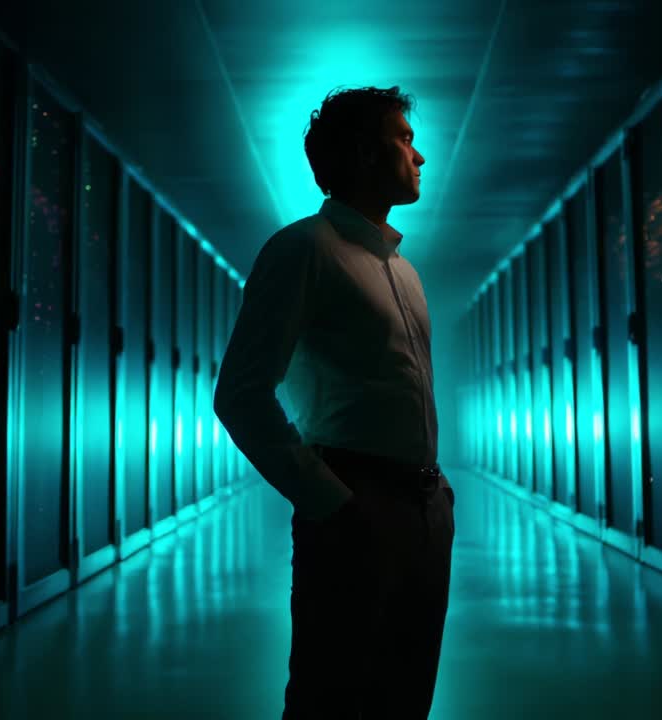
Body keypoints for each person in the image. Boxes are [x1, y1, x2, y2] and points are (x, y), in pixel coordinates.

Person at [213, 85, 454, 719]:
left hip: (424, 507)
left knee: (405, 694)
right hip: (357, 502)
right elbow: (240, 392)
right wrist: (331, 502)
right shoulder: (302, 251)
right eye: (403, 138)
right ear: (362, 154)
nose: (419, 155)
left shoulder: (403, 270)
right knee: (334, 695)